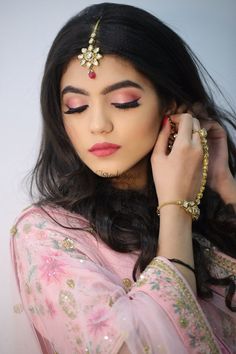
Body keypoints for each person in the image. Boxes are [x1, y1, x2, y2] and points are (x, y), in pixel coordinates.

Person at [10, 3, 236, 353]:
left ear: (171, 105)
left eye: (124, 101)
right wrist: (177, 208)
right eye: (76, 107)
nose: (98, 124)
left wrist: (225, 187)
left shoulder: (218, 211)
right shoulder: (46, 234)